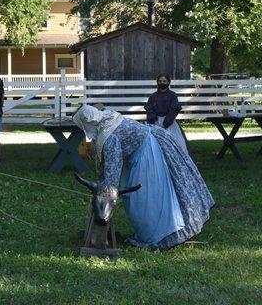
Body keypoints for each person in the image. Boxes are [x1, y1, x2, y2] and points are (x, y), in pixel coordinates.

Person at [72, 104, 214, 250]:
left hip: (147, 153)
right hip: (142, 148)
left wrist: (104, 192)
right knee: (142, 197)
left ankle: (159, 237)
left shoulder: (109, 136)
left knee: (145, 198)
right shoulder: (106, 119)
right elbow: (104, 161)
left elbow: (112, 172)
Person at [145, 72, 189, 154]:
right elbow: (149, 109)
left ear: (168, 82)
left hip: (169, 123)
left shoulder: (173, 95)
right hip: (155, 123)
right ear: (157, 82)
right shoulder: (153, 96)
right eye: (160, 81)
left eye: (164, 81)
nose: (162, 83)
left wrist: (165, 124)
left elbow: (174, 110)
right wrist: (155, 122)